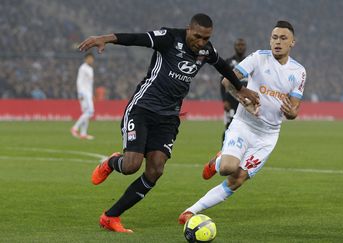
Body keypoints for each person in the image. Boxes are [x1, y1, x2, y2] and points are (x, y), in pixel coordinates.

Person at [77, 13, 259, 233]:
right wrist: (105, 38)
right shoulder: (169, 38)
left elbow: (222, 66)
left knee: (155, 171)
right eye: (198, 36)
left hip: (169, 117)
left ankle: (110, 216)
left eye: (206, 38)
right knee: (131, 166)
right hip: (142, 109)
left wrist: (241, 89)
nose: (201, 42)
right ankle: (112, 163)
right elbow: (138, 38)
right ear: (188, 29)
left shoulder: (205, 50)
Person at [178, 20, 307, 224]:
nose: (278, 42)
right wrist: (242, 99)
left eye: (283, 38)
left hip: (268, 137)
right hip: (244, 125)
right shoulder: (258, 58)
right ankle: (217, 162)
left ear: (293, 42)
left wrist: (292, 113)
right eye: (274, 37)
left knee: (236, 180)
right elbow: (227, 82)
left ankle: (190, 212)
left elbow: (294, 110)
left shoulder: (299, 72)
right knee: (227, 168)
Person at [220, 38, 247, 143]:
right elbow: (222, 83)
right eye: (238, 45)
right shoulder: (228, 62)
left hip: (245, 101)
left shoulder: (249, 62)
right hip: (231, 101)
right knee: (229, 126)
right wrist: (224, 100)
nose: (240, 47)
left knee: (245, 127)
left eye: (242, 45)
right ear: (235, 46)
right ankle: (223, 151)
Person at [71, 53, 95, 140]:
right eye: (89, 58)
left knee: (86, 112)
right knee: (90, 111)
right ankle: (75, 128)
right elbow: (79, 81)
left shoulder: (90, 69)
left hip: (88, 93)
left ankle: (83, 133)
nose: (90, 60)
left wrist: (92, 94)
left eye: (92, 59)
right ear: (86, 59)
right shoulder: (83, 68)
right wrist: (80, 93)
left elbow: (90, 84)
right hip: (84, 93)